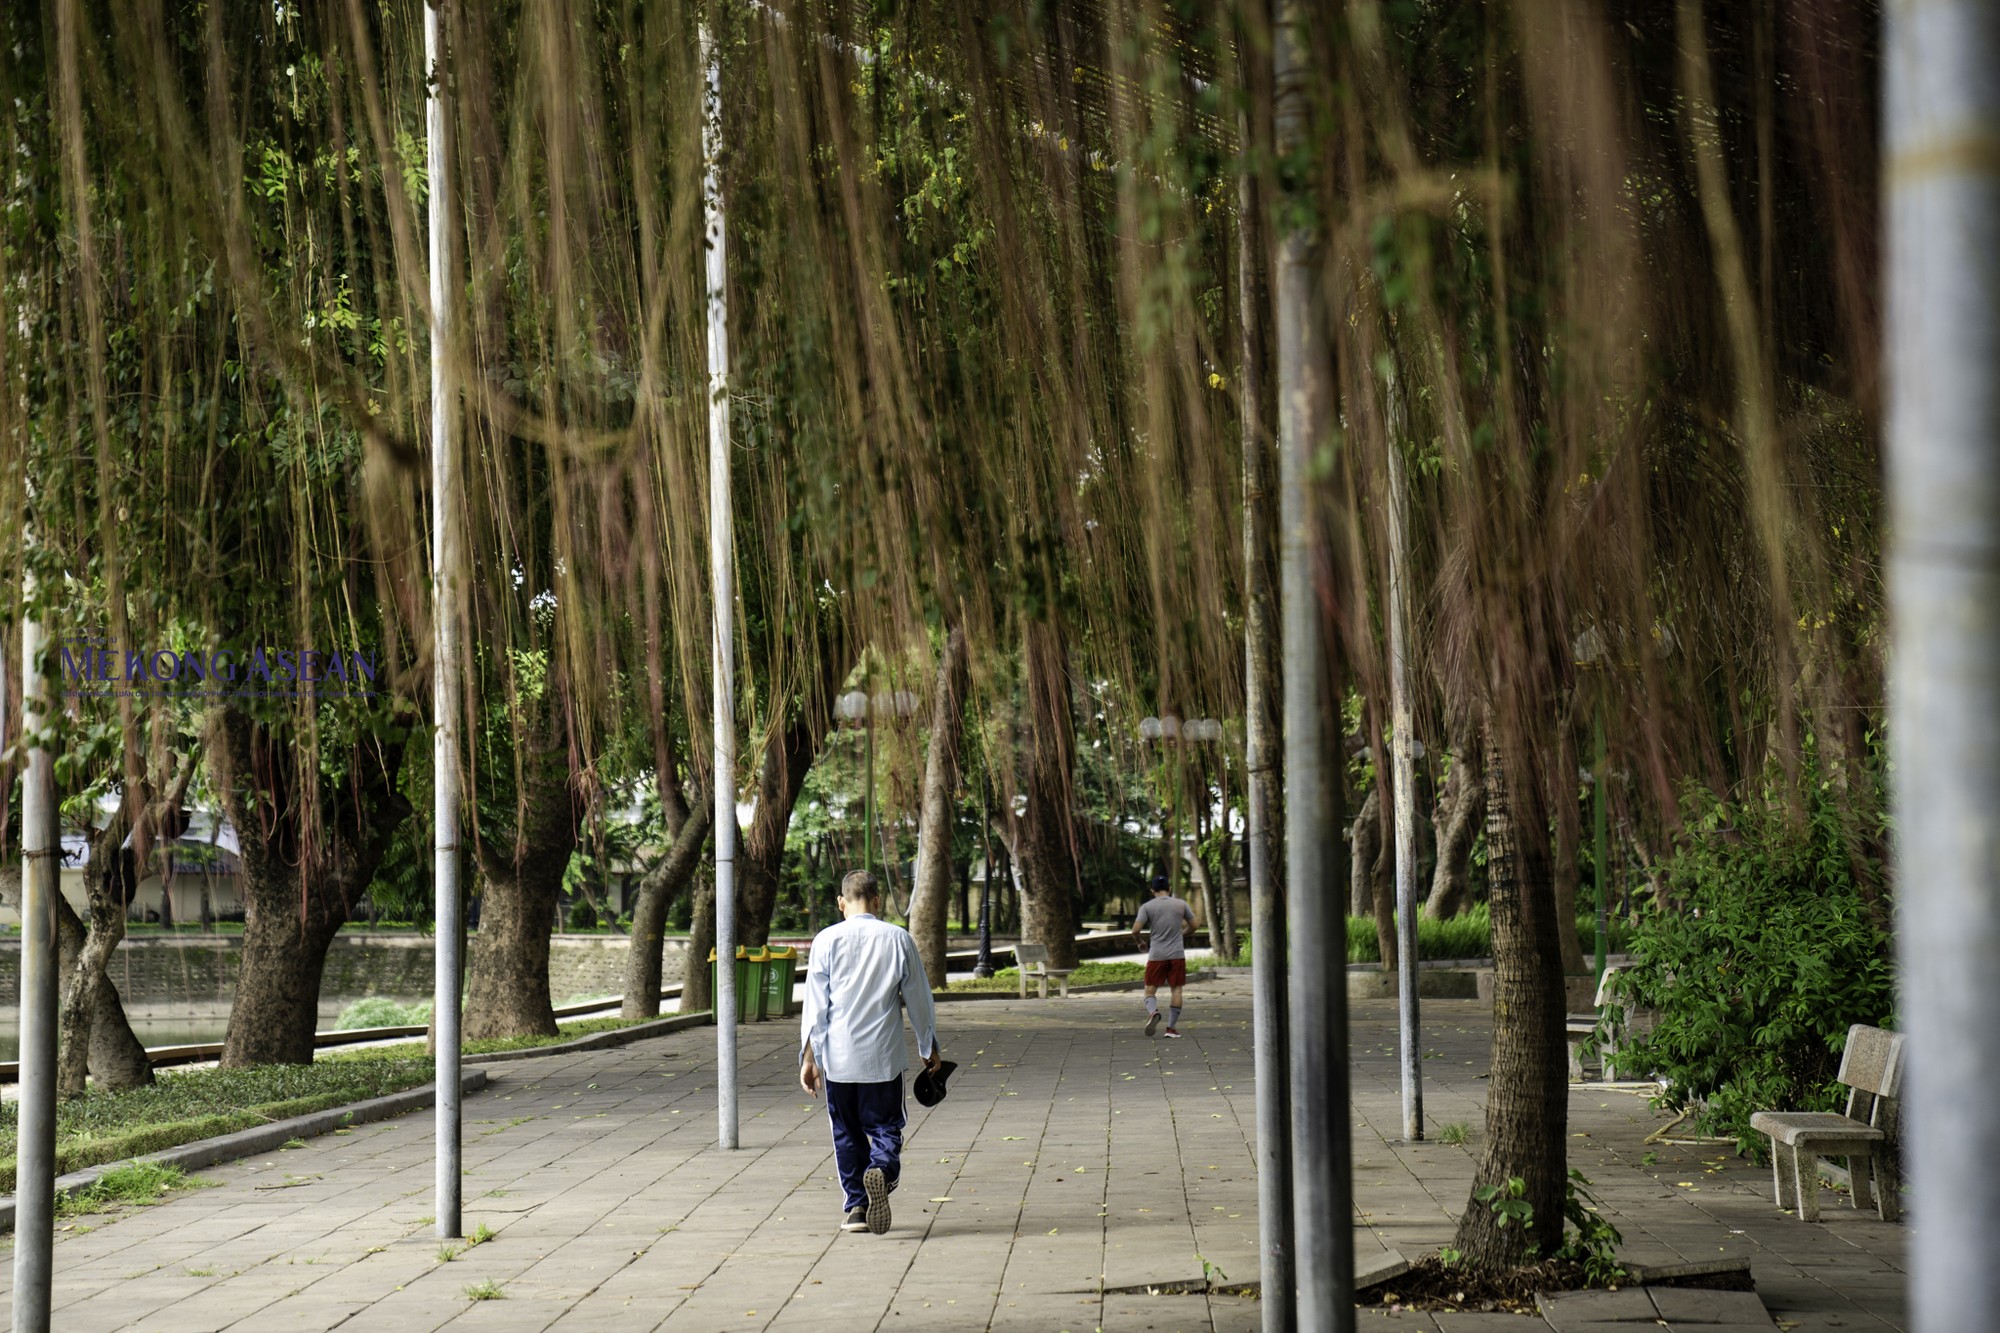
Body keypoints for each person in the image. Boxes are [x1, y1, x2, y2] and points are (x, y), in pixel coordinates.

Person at [799, 870, 943, 1235]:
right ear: (877, 901)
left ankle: (856, 1209)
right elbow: (919, 1000)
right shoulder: (899, 938)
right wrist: (929, 1046)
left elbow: (815, 1007)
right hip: (883, 1057)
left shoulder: (825, 940)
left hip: (838, 1058)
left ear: (841, 903)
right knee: (886, 1126)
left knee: (845, 1133)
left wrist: (809, 1057)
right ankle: (881, 1168)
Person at [1133, 874, 1195, 1037]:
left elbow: (1135, 930)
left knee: (1150, 990)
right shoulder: (1180, 904)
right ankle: (1171, 1029)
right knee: (1176, 990)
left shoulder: (1147, 907)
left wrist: (1139, 942)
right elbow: (1195, 925)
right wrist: (1182, 934)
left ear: (1152, 890)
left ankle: (1153, 1012)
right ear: (1169, 888)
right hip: (1176, 954)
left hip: (1156, 955)